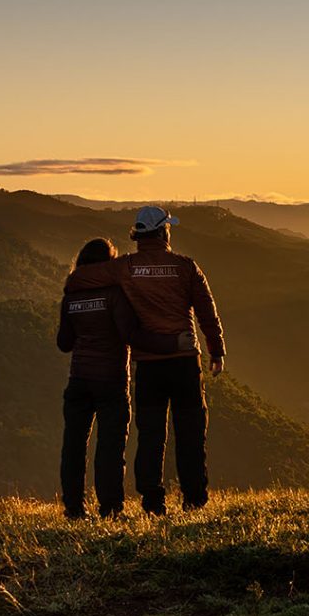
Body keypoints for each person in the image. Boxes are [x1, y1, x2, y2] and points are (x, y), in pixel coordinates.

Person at [116, 204, 225, 514]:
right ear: (165, 231)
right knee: (190, 431)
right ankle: (194, 498)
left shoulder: (126, 268)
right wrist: (216, 350)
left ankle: (152, 501)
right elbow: (207, 311)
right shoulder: (186, 267)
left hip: (148, 364)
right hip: (183, 361)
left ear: (138, 234)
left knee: (150, 434)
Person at [54, 237, 140, 519]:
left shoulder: (71, 297)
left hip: (78, 380)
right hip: (111, 380)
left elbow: (64, 343)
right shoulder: (114, 295)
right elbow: (129, 335)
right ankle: (111, 508)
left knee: (74, 446)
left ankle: (74, 509)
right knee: (110, 447)